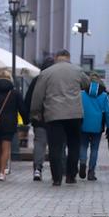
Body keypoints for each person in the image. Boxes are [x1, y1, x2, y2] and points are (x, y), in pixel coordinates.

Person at [30, 49, 89, 186]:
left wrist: (35, 112)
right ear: (69, 57)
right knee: (74, 145)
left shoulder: (46, 73)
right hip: (74, 114)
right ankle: (70, 176)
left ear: (56, 58)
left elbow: (38, 95)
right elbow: (87, 85)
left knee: (55, 147)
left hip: (54, 114)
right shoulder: (78, 70)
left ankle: (57, 178)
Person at [0, 70, 28, 181]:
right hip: (10, 123)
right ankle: (2, 173)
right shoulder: (15, 93)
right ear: (10, 79)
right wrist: (26, 120)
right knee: (6, 148)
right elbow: (22, 108)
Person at [24, 57, 55, 181]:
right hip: (55, 117)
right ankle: (57, 170)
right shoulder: (56, 81)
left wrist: (27, 117)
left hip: (39, 118)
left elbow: (28, 99)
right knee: (56, 145)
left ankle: (37, 169)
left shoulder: (36, 80)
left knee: (39, 144)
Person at [79, 73, 109, 181]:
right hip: (97, 126)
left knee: (83, 146)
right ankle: (91, 172)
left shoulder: (81, 94)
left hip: (83, 124)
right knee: (94, 149)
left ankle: (83, 163)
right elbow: (108, 112)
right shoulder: (104, 96)